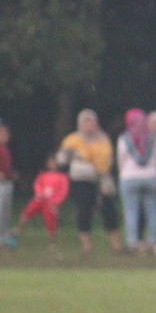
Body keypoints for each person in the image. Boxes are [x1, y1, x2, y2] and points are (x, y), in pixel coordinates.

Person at [58, 109, 122, 254]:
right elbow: (61, 160)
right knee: (84, 211)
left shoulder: (103, 138)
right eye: (86, 122)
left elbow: (109, 158)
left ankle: (116, 244)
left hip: (102, 179)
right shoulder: (73, 140)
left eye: (91, 122)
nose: (89, 125)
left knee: (109, 210)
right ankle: (86, 245)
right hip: (81, 180)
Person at [117, 108, 156, 254]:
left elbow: (121, 159)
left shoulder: (124, 138)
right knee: (152, 211)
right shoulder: (152, 138)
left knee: (132, 211)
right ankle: (154, 242)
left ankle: (133, 242)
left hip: (129, 178)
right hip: (151, 177)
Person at [7, 153, 69, 248]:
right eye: (50, 162)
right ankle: (17, 230)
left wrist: (56, 202)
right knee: (27, 213)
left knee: (51, 221)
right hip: (40, 199)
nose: (52, 164)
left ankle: (52, 242)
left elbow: (63, 191)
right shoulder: (43, 174)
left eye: (54, 162)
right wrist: (39, 193)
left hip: (51, 202)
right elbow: (38, 184)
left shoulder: (62, 177)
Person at [0, 119, 16, 244]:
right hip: (1, 184)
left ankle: (3, 237)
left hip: (7, 182)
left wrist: (11, 174)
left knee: (6, 212)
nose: (5, 136)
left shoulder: (5, 149)